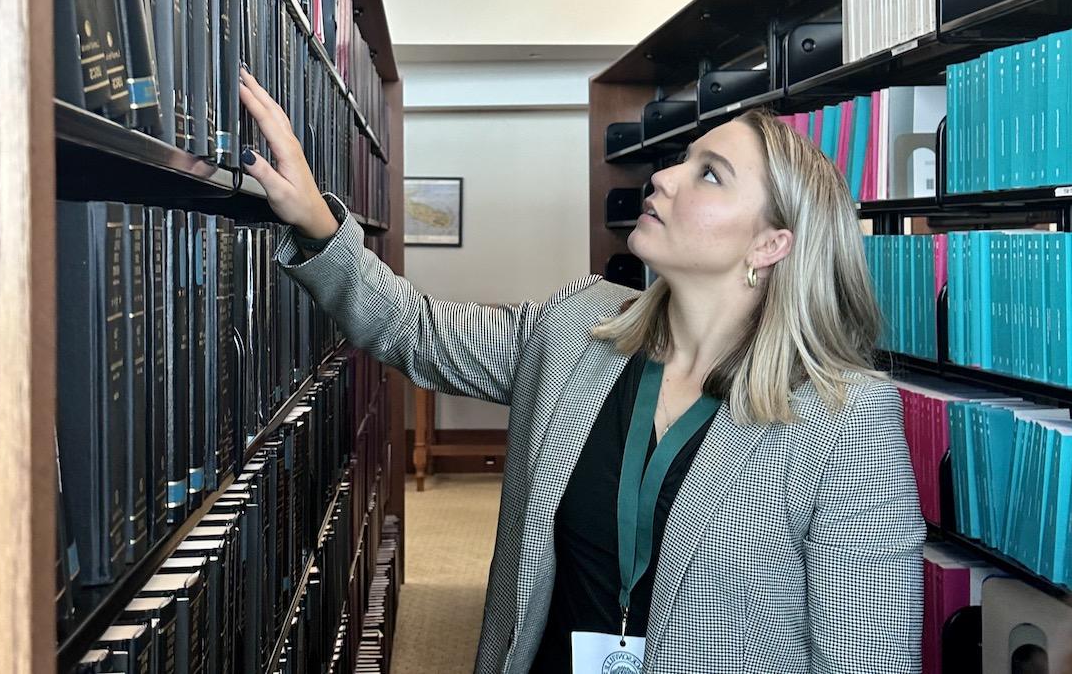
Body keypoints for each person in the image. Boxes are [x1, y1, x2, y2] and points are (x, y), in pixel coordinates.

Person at [238, 69, 924, 674]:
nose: (662, 177)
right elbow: (414, 328)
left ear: (771, 244)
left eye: (709, 174)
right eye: (682, 161)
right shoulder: (578, 329)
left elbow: (866, 658)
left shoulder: (845, 421)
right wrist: (319, 227)